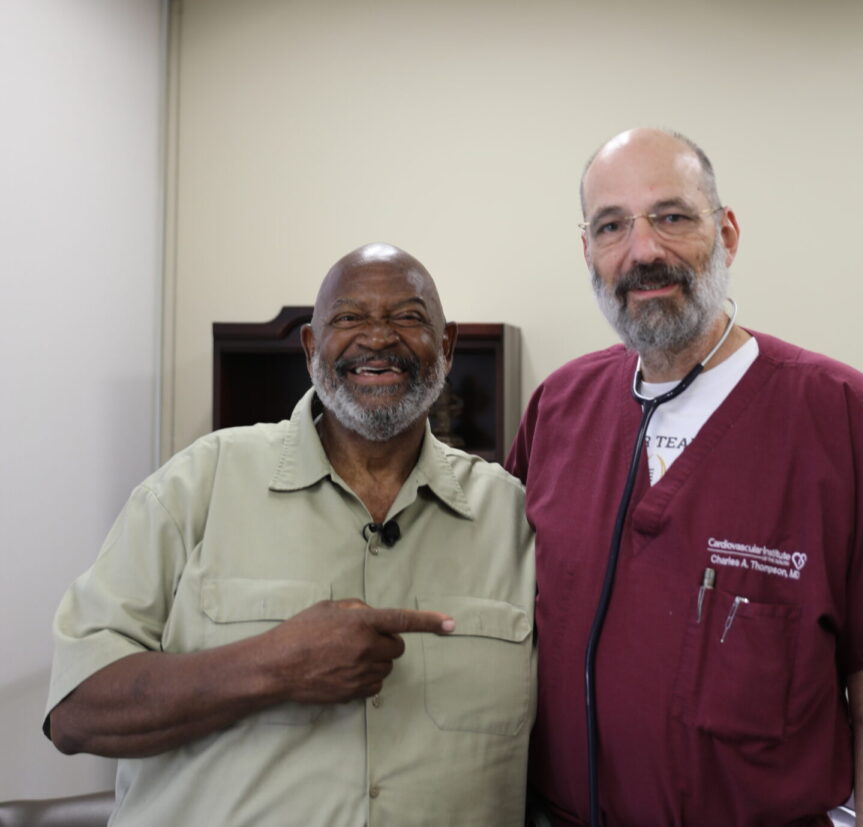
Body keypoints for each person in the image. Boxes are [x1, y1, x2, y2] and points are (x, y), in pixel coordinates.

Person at [506, 129, 863, 826]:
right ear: (588, 251)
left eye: (672, 217)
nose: (643, 251)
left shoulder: (835, 413)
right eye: (612, 226)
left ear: (727, 233)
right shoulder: (559, 408)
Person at [45, 243, 536, 826]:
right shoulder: (198, 485)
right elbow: (75, 711)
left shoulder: (515, 519)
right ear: (310, 348)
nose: (377, 339)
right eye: (348, 318)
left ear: (447, 346)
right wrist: (273, 666)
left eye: (407, 317)